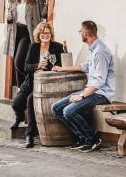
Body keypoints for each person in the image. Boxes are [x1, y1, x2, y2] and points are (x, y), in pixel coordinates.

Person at [51, 20, 115, 153]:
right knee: (56, 108)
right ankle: (82, 138)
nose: (80, 34)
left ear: (85, 33)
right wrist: (62, 69)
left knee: (69, 111)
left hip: (102, 94)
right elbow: (84, 66)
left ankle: (93, 139)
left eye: (80, 31)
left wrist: (81, 95)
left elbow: (99, 81)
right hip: (91, 91)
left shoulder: (101, 52)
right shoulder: (94, 49)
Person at [10, 22, 63, 148]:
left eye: (48, 33)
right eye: (43, 33)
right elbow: (26, 66)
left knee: (30, 100)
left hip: (46, 85)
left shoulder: (57, 47)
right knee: (16, 104)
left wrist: (51, 68)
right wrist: (37, 66)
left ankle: (30, 134)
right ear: (38, 35)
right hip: (31, 82)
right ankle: (19, 118)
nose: (46, 35)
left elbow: (60, 64)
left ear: (51, 34)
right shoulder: (33, 47)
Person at [3, 0, 47, 87]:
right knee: (16, 63)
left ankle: (29, 84)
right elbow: (9, 17)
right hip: (15, 31)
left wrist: (48, 2)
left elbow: (43, 14)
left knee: (18, 62)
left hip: (28, 33)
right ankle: (20, 90)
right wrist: (8, 18)